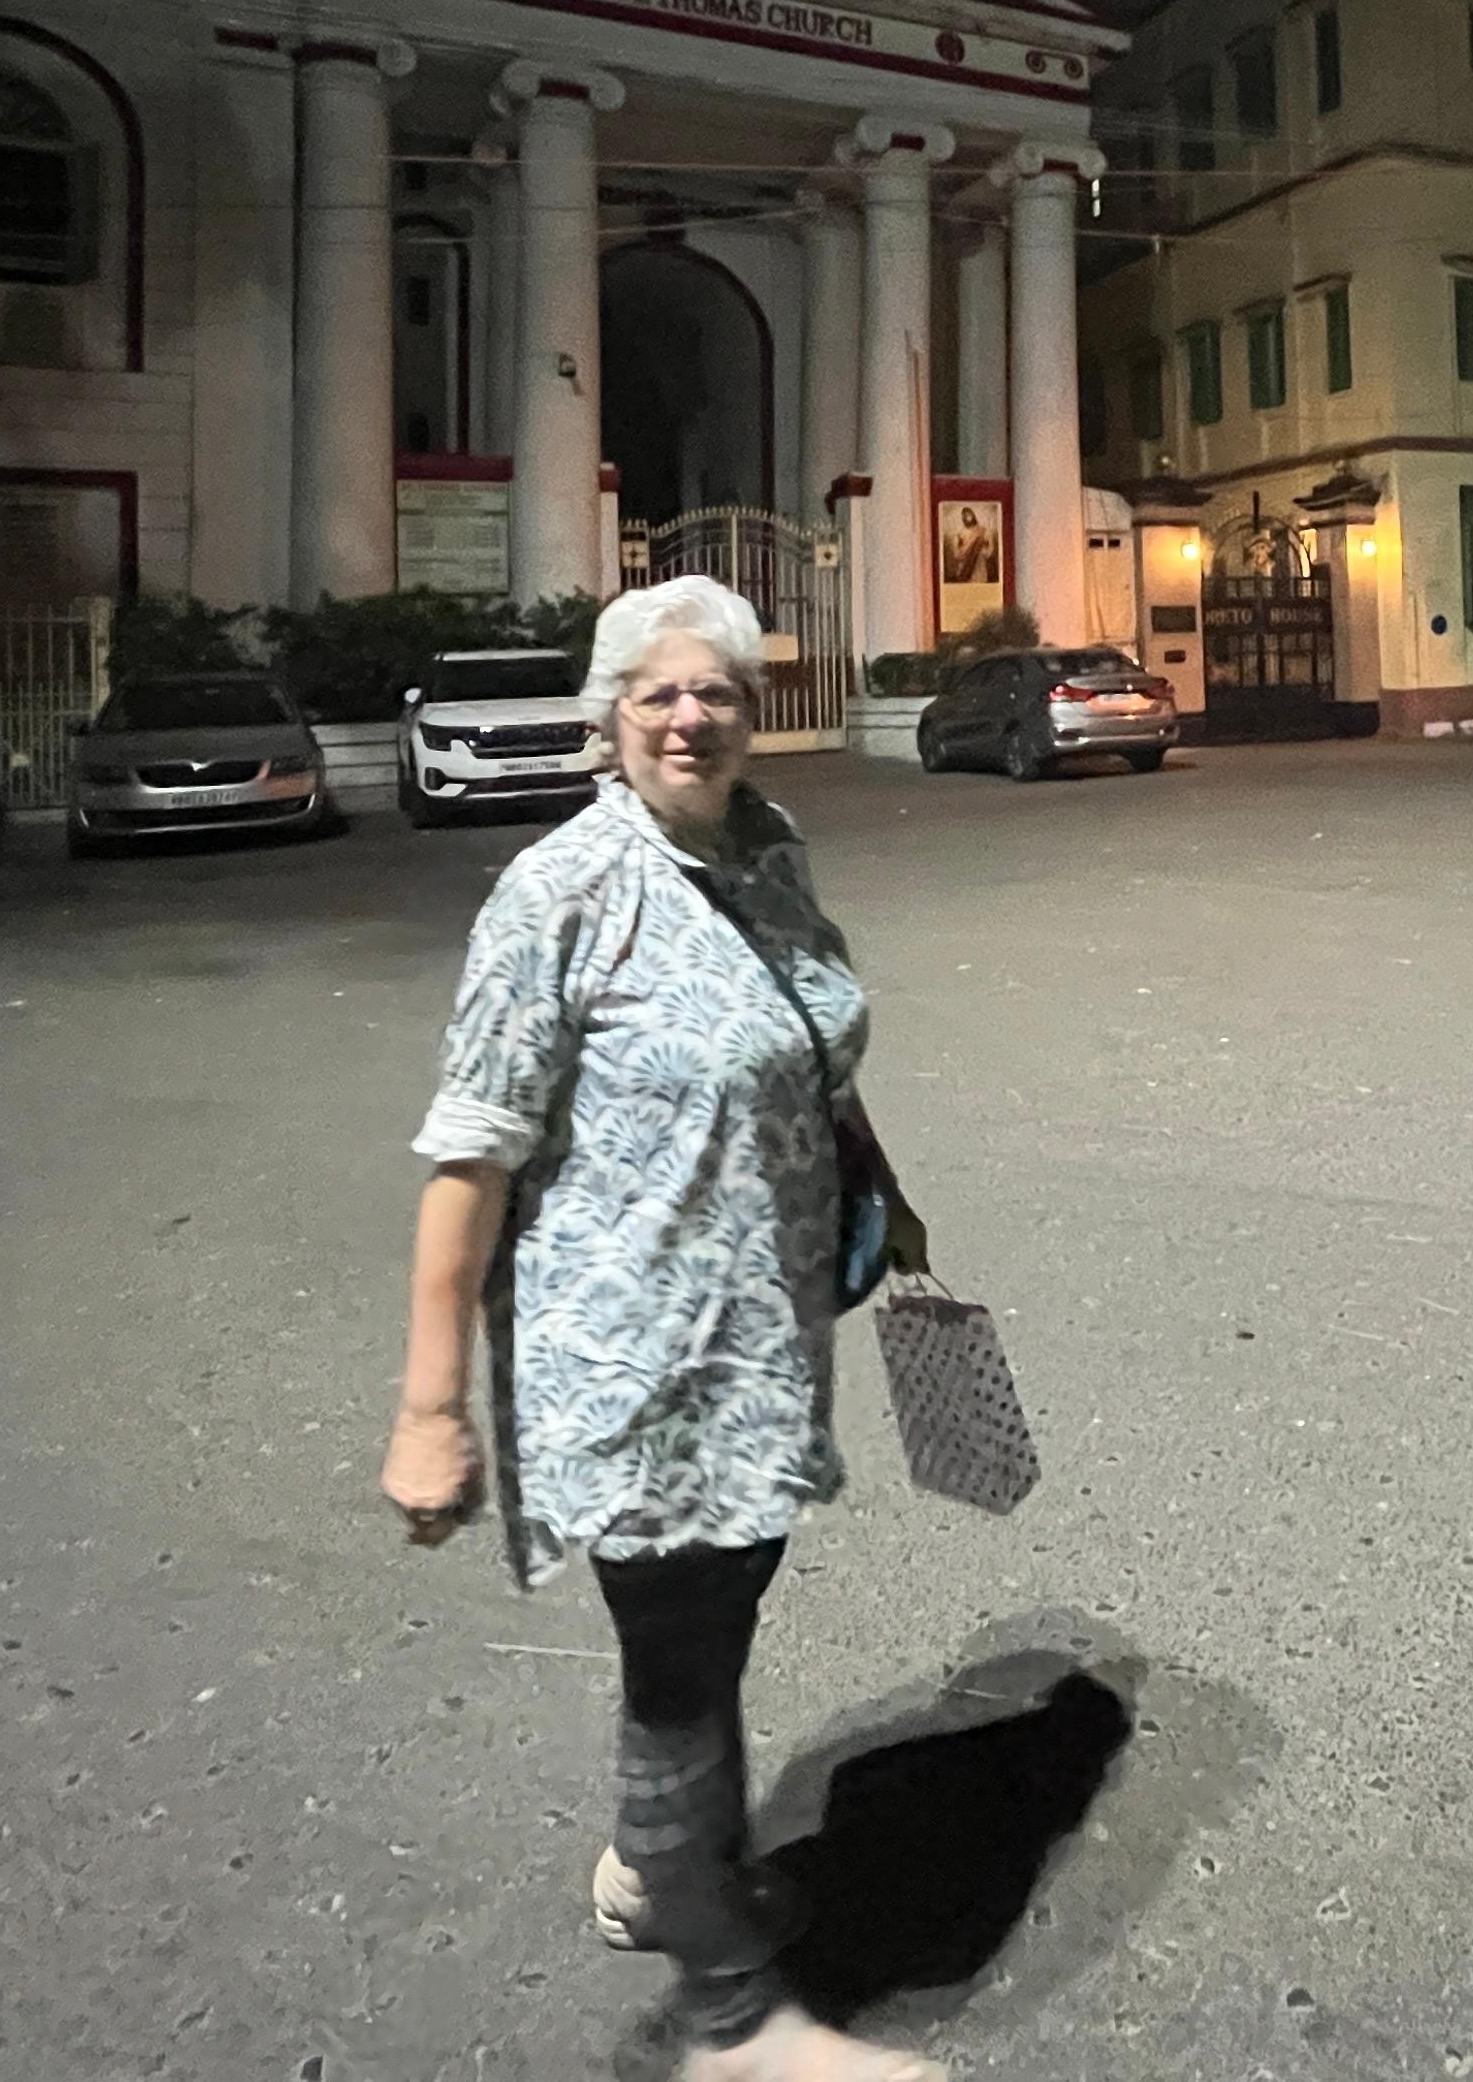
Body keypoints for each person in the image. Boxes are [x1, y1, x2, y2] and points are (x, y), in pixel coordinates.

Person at [380, 575, 939, 2082]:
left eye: (718, 693)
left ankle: (656, 1870)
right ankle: (732, 2021)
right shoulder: (561, 893)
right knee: (681, 1663)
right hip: (633, 1357)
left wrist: (880, 1188)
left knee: (724, 1607)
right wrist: (431, 1410)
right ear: (609, 718)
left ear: (756, 712)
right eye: (659, 695)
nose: (691, 718)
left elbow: (806, 1041)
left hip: (762, 1340)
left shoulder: (767, 847)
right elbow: (471, 1155)